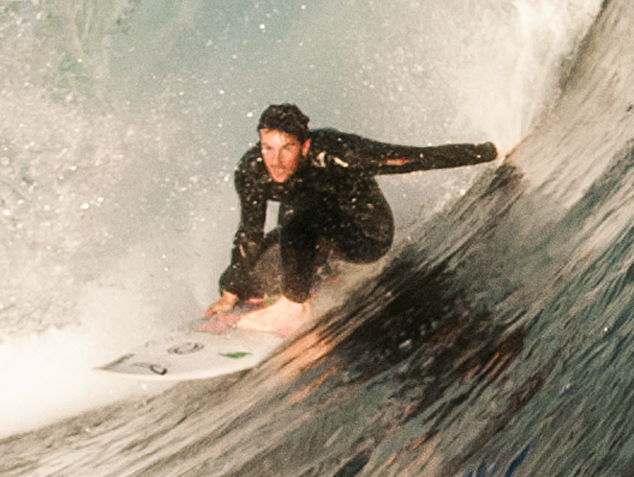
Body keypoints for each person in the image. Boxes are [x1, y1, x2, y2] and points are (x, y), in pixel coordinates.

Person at [202, 101, 505, 331]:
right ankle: (312, 276)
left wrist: (491, 151)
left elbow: (415, 158)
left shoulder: (340, 153)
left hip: (365, 234)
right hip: (311, 230)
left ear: (304, 145)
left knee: (298, 218)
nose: (276, 160)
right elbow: (250, 231)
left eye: (286, 149)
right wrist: (229, 294)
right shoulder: (252, 171)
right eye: (267, 148)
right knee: (240, 279)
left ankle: (295, 305)